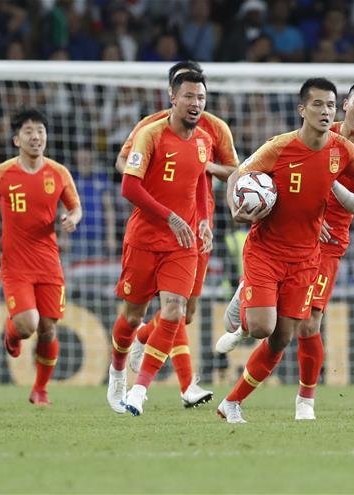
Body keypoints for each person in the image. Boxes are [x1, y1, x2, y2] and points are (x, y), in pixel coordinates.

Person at [215, 78, 354, 424]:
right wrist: (237, 209)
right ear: (345, 105)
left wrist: (330, 186)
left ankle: (301, 400)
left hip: (324, 250)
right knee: (265, 327)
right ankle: (251, 308)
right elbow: (240, 175)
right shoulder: (302, 138)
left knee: (300, 330)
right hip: (276, 243)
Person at [111, 61, 238, 410]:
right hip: (150, 230)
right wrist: (147, 168)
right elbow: (125, 168)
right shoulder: (150, 129)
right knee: (141, 313)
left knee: (181, 310)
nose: (195, 102)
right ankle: (131, 366)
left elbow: (229, 171)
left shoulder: (211, 133)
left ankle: (147, 386)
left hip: (192, 232)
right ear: (172, 95)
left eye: (201, 96)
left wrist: (204, 217)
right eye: (188, 95)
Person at [0, 109, 82, 405]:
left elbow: (75, 207)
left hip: (49, 264)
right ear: (16, 139)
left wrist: (72, 219)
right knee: (27, 325)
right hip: (16, 265)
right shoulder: (0, 173)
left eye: (41, 131)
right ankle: (12, 335)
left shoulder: (58, 173)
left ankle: (40, 390)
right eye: (29, 131)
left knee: (48, 329)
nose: (36, 137)